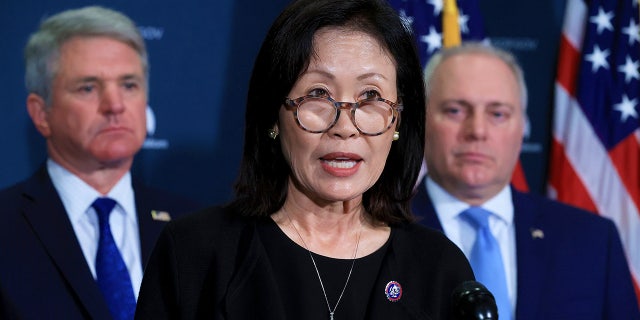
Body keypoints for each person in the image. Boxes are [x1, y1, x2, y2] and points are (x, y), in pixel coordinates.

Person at [135, 0, 474, 319]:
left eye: (370, 97)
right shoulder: (195, 254)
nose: (344, 127)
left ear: (398, 120)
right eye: (318, 95)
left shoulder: (441, 270)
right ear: (274, 115)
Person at [412, 42, 640, 320]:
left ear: (523, 128)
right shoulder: (377, 234)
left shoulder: (592, 241)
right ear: (421, 122)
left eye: (497, 114)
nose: (477, 131)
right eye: (455, 111)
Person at [0, 6, 198, 320]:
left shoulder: (195, 226)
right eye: (88, 87)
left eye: (129, 85)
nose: (115, 105)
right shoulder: (6, 225)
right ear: (41, 113)